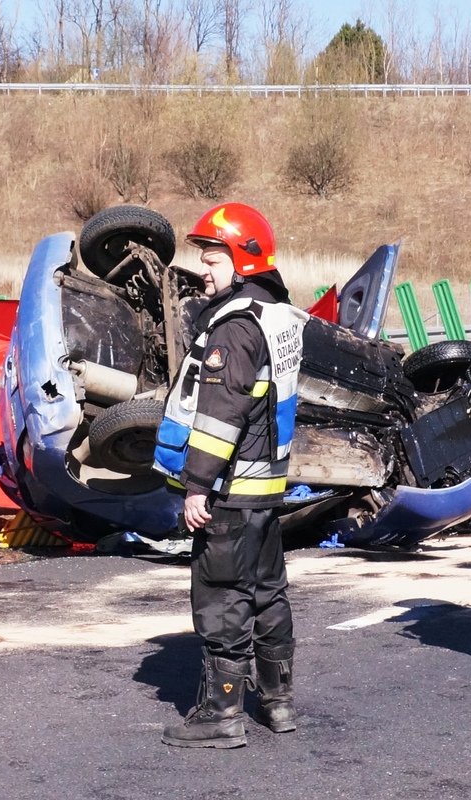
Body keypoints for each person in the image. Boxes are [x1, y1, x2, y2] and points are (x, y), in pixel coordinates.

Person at [153, 203, 309, 748]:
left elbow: (222, 414)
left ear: (244, 260)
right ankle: (279, 702)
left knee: (223, 596)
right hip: (265, 488)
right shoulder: (276, 314)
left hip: (230, 491)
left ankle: (220, 715)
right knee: (268, 592)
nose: (204, 271)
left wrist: (197, 484)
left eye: (214, 259)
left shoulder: (235, 328)